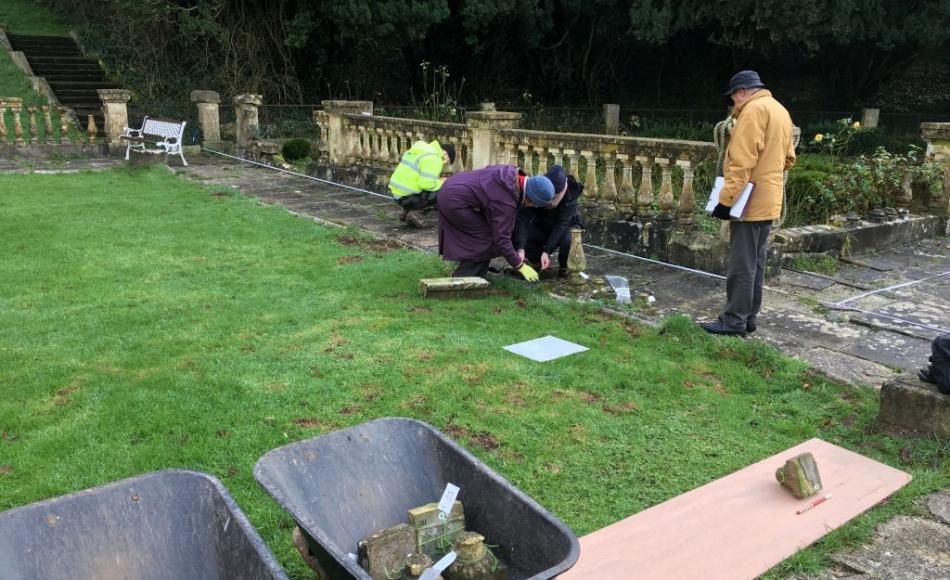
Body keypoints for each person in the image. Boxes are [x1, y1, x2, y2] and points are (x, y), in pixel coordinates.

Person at [702, 70, 796, 336]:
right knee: (756, 263)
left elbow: (741, 162)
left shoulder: (753, 111)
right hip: (770, 199)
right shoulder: (780, 110)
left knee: (741, 265)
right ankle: (748, 318)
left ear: (741, 92)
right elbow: (789, 159)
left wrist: (726, 200)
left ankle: (733, 322)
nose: (733, 106)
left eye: (733, 99)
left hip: (748, 202)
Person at [438, 164, 555, 279]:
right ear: (531, 199)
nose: (531, 206)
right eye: (534, 204)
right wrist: (519, 265)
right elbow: (502, 239)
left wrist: (519, 250)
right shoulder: (506, 202)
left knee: (487, 235)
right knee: (486, 239)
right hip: (453, 200)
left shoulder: (512, 174)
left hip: (453, 184)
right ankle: (463, 279)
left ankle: (477, 276)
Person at [512, 164, 584, 277]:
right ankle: (534, 262)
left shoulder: (571, 195)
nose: (549, 201)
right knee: (516, 235)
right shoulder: (540, 187)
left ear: (563, 190)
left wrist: (547, 251)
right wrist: (520, 248)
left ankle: (565, 267)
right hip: (542, 226)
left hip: (565, 228)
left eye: (554, 197)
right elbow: (523, 219)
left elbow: (561, 225)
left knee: (569, 240)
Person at [388, 140, 456, 228]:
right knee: (445, 189)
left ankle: (406, 212)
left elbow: (418, 176)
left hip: (397, 193)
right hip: (407, 196)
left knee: (431, 188)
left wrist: (438, 180)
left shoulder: (422, 150)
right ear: (446, 154)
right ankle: (415, 213)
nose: (445, 164)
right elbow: (426, 185)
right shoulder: (435, 158)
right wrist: (443, 182)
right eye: (448, 161)